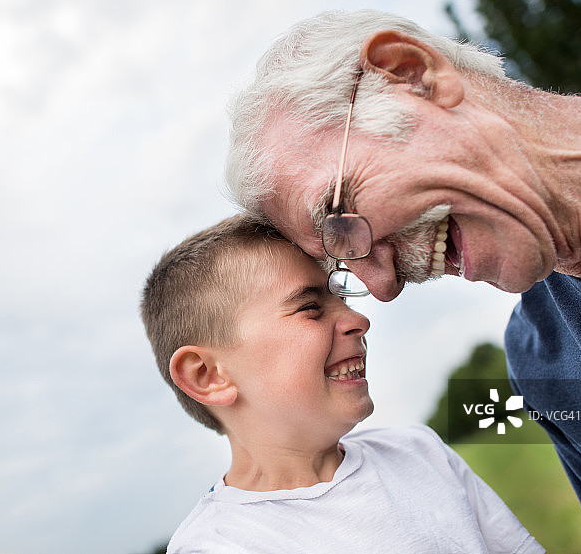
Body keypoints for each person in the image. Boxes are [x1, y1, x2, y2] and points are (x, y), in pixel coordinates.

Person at [224, 9, 581, 553]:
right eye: (342, 265)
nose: (383, 286)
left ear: (412, 74)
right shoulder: (545, 364)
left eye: (338, 219)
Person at [140, 214, 544, 554]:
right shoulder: (221, 545)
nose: (359, 320)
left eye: (344, 299)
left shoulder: (420, 453)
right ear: (207, 376)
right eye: (311, 307)